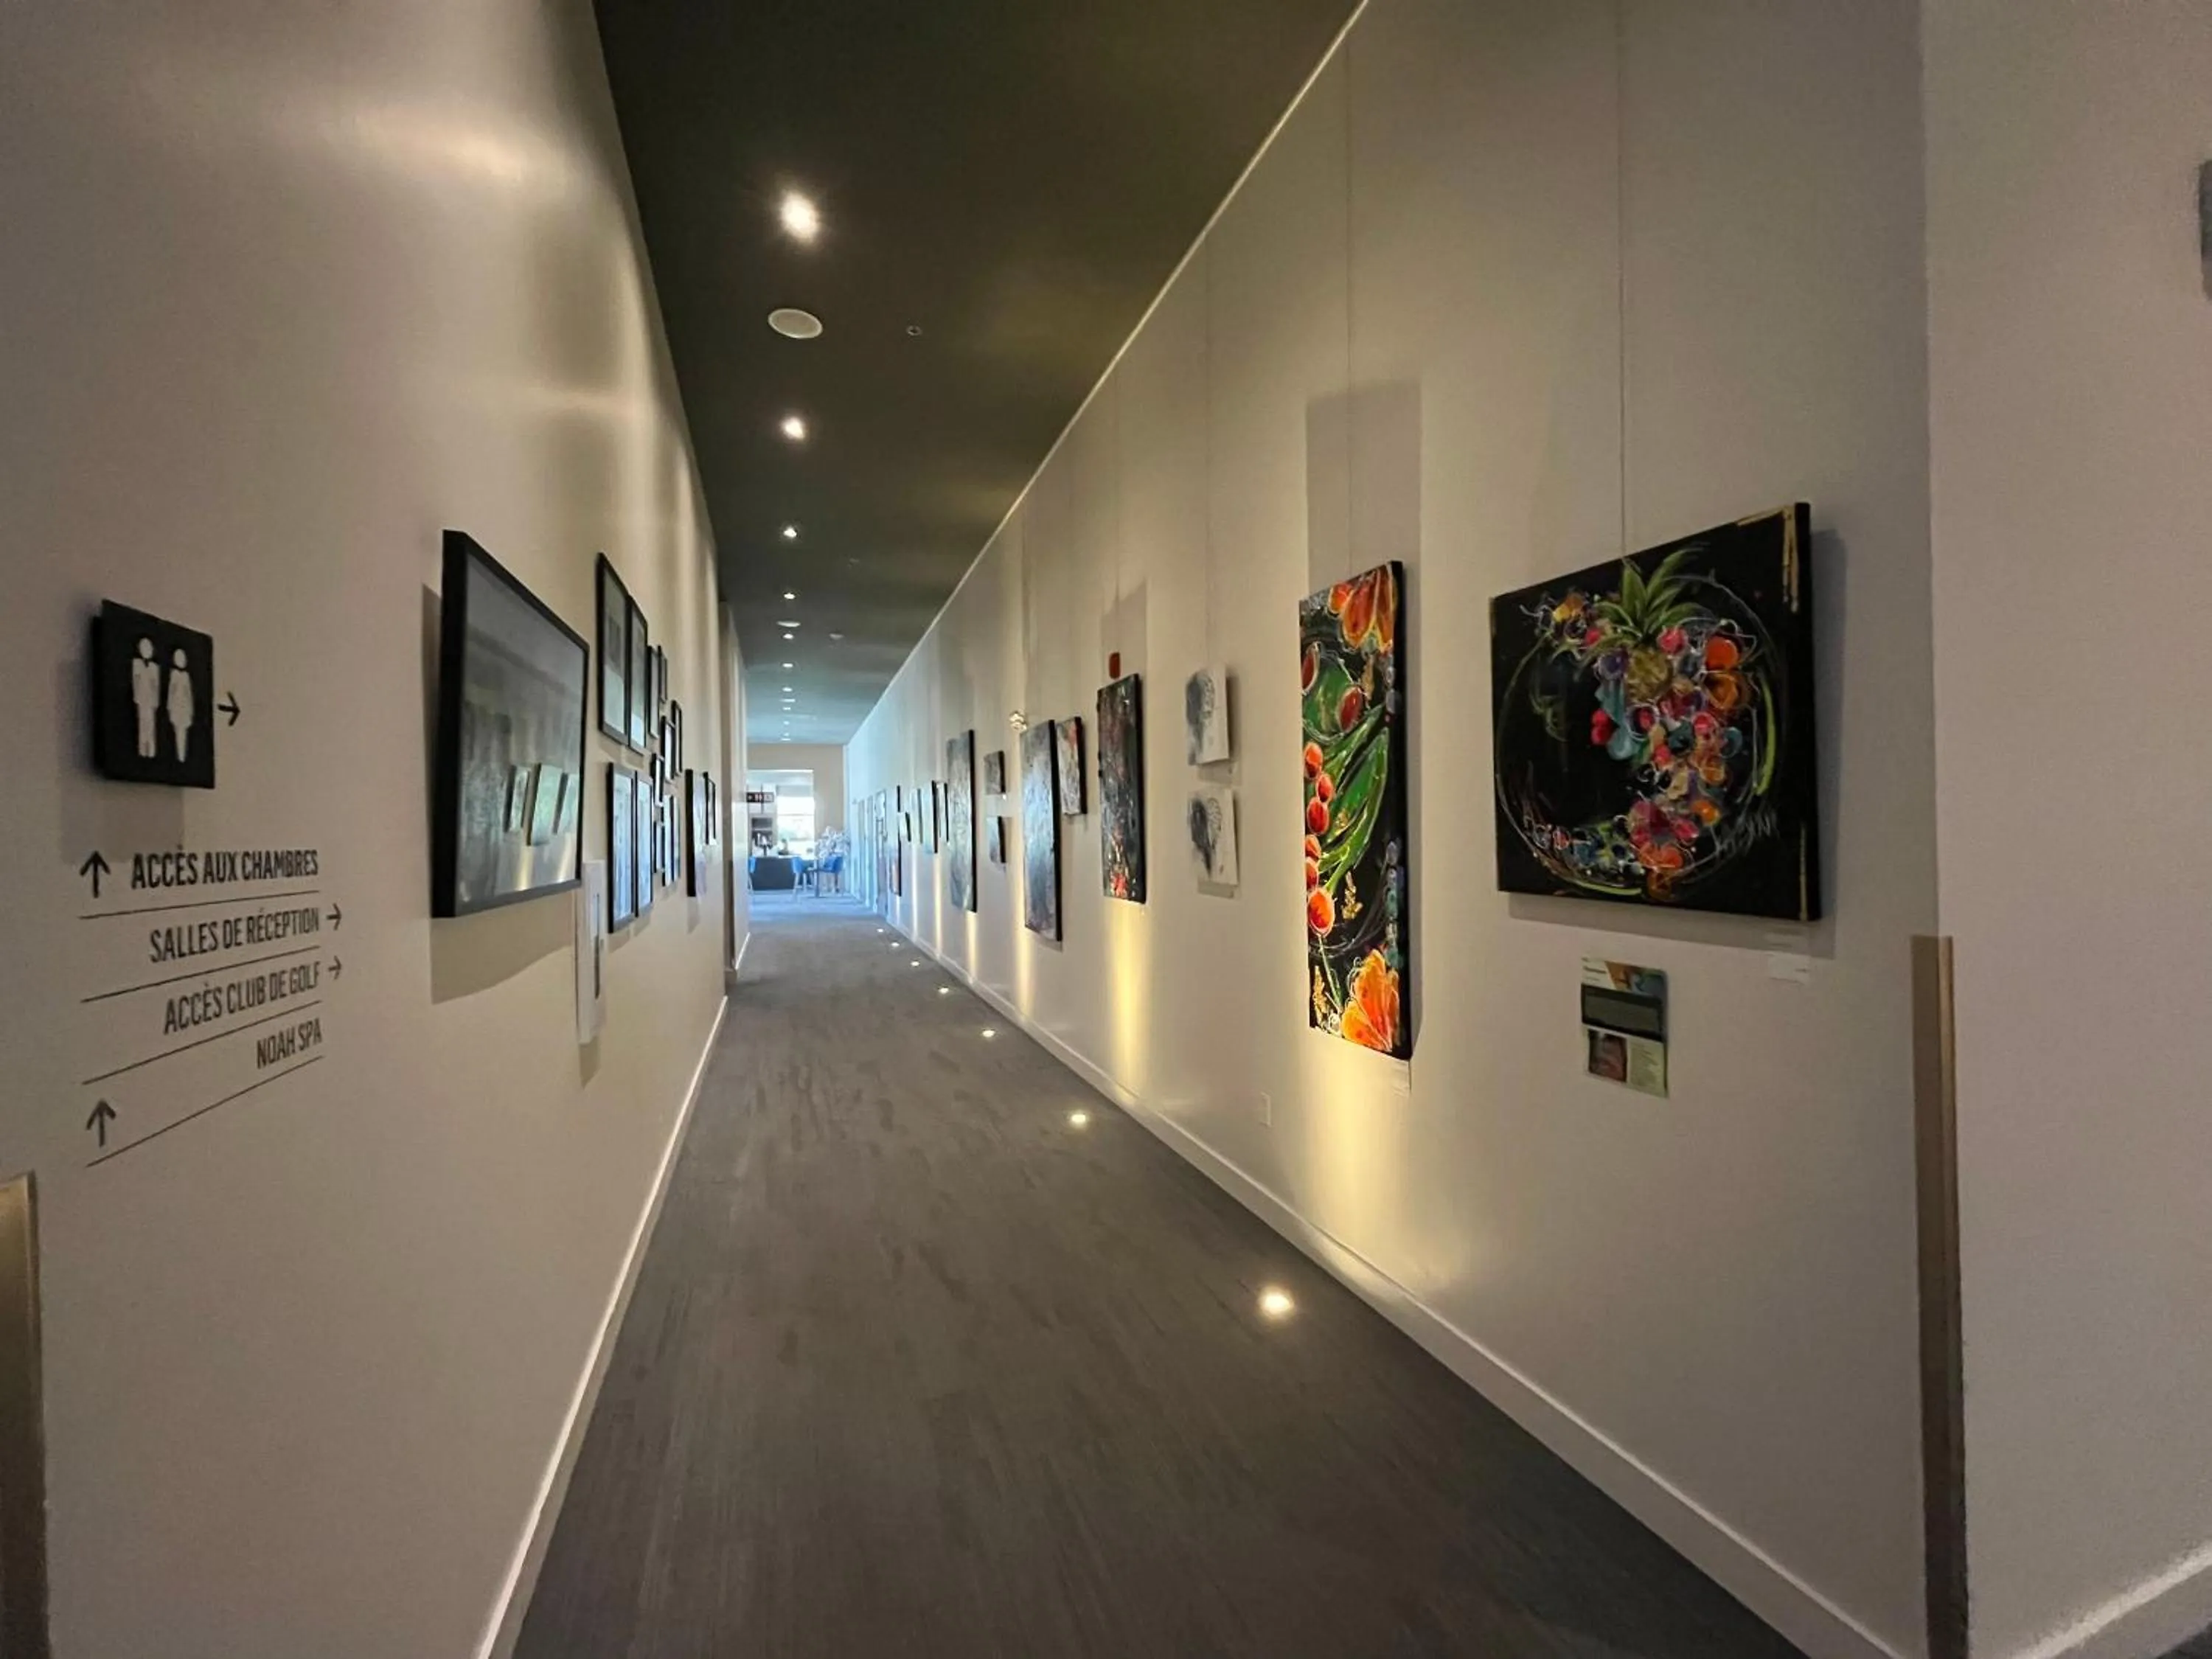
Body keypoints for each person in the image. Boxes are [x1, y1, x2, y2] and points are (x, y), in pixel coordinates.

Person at [131, 637, 161, 759]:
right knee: (142, 724)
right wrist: (136, 697)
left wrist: (156, 701)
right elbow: (135, 681)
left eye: (148, 648)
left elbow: (156, 685)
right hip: (141, 698)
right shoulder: (137, 664)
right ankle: (143, 750)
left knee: (151, 725)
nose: (146, 651)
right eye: (144, 648)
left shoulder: (154, 667)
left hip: (151, 700)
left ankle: (151, 751)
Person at [165, 647, 195, 762]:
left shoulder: (186, 676)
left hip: (185, 709)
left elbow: (189, 694)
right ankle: (179, 756)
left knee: (183, 734)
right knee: (178, 733)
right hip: (176, 708)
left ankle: (182, 757)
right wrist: (169, 708)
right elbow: (171, 692)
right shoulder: (174, 675)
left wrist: (191, 711)